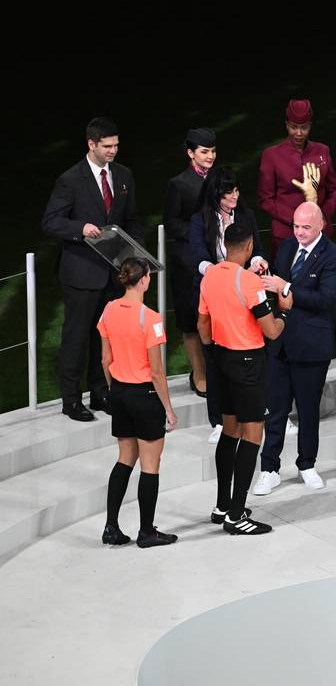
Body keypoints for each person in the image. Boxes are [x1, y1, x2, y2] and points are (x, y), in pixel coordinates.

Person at [42, 117, 144, 423]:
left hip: (114, 273)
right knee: (76, 337)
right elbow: (50, 222)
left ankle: (100, 392)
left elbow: (133, 220)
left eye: (116, 145)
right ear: (91, 144)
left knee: (106, 336)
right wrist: (80, 228)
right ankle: (71, 400)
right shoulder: (70, 180)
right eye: (107, 146)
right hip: (81, 273)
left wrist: (135, 254)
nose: (113, 150)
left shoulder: (124, 175)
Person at [197, 222, 290, 535]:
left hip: (221, 360)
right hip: (248, 362)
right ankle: (236, 515)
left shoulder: (210, 276)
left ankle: (222, 505)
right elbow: (271, 330)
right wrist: (285, 311)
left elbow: (202, 326)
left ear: (225, 245)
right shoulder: (249, 282)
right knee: (253, 434)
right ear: (249, 247)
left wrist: (215, 351)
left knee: (230, 430)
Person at [253, 203, 336, 495]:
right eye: (296, 226)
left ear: (321, 224)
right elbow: (278, 278)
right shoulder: (287, 247)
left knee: (308, 412)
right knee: (276, 411)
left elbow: (326, 300)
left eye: (306, 227)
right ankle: (269, 469)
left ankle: (307, 464)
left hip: (312, 347)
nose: (299, 233)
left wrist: (286, 287)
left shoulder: (334, 256)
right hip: (280, 344)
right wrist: (264, 269)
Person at [97, 257, 179, 548]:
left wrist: (116, 389)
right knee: (150, 464)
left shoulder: (108, 310)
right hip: (145, 397)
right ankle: (147, 531)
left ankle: (111, 527)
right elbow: (157, 371)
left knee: (124, 459)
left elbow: (106, 359)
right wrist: (168, 408)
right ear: (144, 279)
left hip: (119, 392)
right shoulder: (151, 319)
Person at [189, 166, 269, 442]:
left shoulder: (245, 216)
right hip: (216, 291)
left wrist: (258, 261)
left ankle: (258, 410)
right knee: (216, 358)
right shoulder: (201, 220)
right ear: (215, 195)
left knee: (253, 350)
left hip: (243, 291)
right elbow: (197, 255)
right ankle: (218, 419)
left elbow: (256, 248)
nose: (234, 196)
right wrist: (215, 273)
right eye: (228, 193)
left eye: (236, 191)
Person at [163, 127, 216, 400]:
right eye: (204, 152)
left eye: (213, 151)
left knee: (215, 320)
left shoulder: (220, 179)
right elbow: (172, 223)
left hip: (217, 261)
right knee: (191, 321)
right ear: (190, 153)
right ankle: (200, 374)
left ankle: (215, 373)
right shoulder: (179, 183)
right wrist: (200, 233)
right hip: (187, 263)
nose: (210, 156)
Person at [257, 98, 336, 251]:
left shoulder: (322, 151)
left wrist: (321, 216)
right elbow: (266, 200)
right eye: (293, 127)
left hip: (320, 233)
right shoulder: (271, 155)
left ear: (310, 126)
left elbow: (334, 191)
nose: (298, 133)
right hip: (286, 234)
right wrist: (299, 221)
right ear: (286, 125)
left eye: (304, 128)